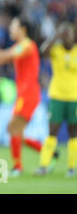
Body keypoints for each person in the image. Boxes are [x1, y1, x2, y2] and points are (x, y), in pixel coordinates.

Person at [0, 16, 44, 177]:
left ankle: (18, 167)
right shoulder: (21, 46)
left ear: (23, 29)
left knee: (13, 129)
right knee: (16, 132)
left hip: (29, 93)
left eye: (13, 25)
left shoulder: (26, 46)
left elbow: (0, 57)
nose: (11, 28)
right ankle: (48, 154)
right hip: (25, 93)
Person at [35, 22, 77, 177]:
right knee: (52, 131)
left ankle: (72, 168)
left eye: (69, 33)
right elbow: (42, 52)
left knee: (74, 133)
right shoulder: (56, 50)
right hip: (57, 96)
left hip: (74, 98)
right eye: (64, 33)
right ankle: (43, 166)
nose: (67, 35)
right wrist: (55, 35)